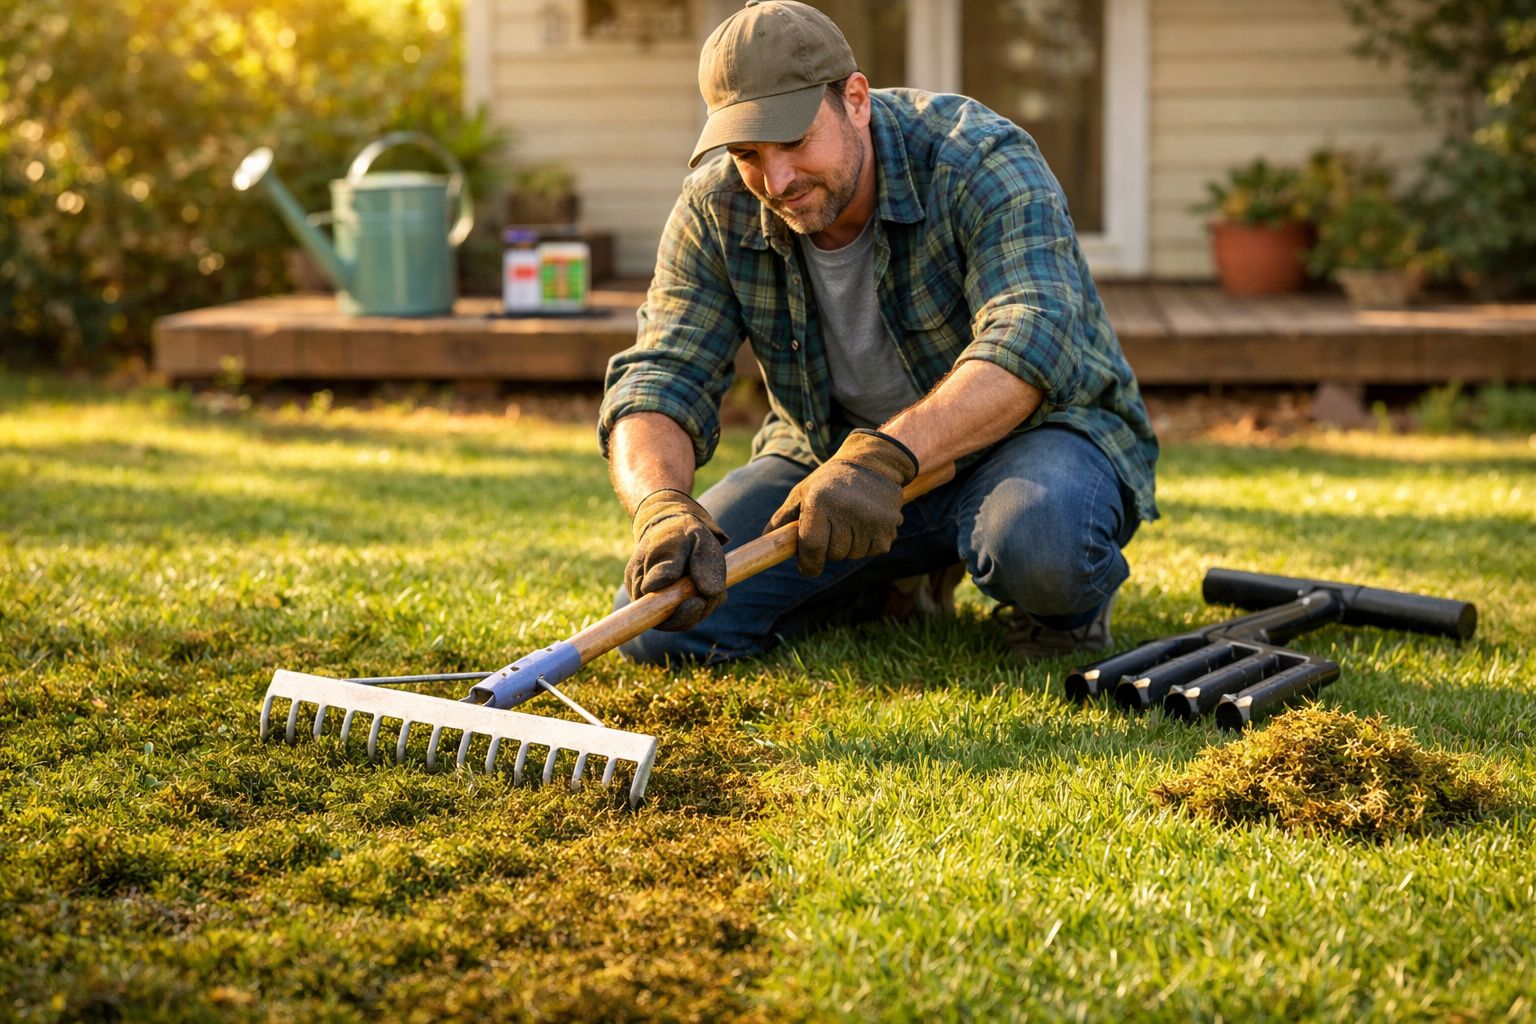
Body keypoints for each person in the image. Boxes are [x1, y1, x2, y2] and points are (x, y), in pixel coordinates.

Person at [599, 0, 1159, 666]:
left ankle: (1062, 614)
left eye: (795, 140)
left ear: (856, 100)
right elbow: (661, 374)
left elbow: (1028, 339)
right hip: (830, 465)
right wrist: (662, 506)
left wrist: (884, 459)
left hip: (1028, 441)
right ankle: (882, 584)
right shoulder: (715, 206)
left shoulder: (978, 157)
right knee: (665, 623)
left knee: (1040, 546)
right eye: (748, 153)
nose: (777, 180)